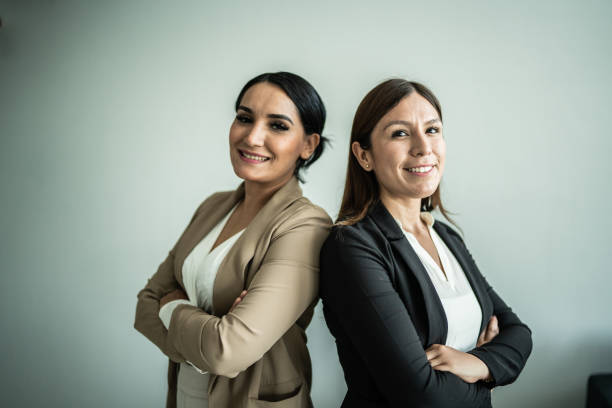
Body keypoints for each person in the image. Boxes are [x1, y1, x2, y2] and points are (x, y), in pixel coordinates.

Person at [319, 79, 532, 407]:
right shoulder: (352, 246)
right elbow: (420, 395)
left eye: (432, 130)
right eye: (400, 133)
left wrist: (479, 364)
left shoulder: (446, 236)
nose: (423, 147)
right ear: (364, 156)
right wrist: (489, 376)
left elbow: (517, 332)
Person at [134, 72, 331, 408]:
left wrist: (172, 305)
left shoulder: (306, 225)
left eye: (278, 126)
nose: (253, 137)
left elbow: (226, 352)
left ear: (308, 145)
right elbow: (143, 306)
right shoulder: (213, 206)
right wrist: (212, 330)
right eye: (244, 118)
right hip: (185, 396)